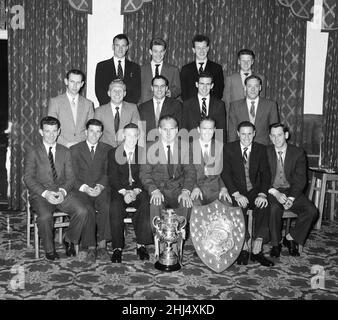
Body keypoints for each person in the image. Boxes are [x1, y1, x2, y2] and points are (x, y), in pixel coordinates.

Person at [24, 116, 89, 261]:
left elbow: (71, 178)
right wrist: (46, 194)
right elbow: (28, 178)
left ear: (59, 131)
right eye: (47, 131)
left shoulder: (65, 151)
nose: (51, 135)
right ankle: (49, 249)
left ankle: (69, 239)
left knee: (82, 211)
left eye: (54, 131)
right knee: (45, 216)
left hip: (61, 192)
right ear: (41, 131)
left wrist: (62, 191)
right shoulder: (33, 151)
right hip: (41, 194)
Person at [222, 121, 274, 267]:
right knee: (237, 209)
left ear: (254, 133)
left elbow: (266, 174)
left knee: (264, 206)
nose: (246, 137)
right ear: (238, 133)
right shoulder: (229, 148)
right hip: (238, 191)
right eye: (243, 134)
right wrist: (236, 194)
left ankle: (258, 248)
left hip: (255, 191)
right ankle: (243, 247)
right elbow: (225, 173)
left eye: (249, 133)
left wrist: (263, 194)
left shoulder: (261, 149)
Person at [267, 123, 318, 258]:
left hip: (291, 190)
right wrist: (275, 192)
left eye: (279, 135)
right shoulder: (265, 152)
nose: (276, 139)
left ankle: (291, 237)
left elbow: (300, 179)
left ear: (286, 135)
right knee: (274, 209)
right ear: (270, 137)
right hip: (273, 190)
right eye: (273, 136)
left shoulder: (298, 152)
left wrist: (291, 199)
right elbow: (261, 177)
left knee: (312, 211)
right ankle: (275, 243)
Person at [139, 115, 196, 228]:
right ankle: (157, 240)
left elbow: (190, 171)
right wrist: (154, 190)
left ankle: (179, 239)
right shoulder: (150, 147)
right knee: (155, 202)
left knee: (186, 202)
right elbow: (144, 173)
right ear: (160, 130)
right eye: (165, 129)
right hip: (158, 189)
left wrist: (186, 191)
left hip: (178, 189)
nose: (168, 133)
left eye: (172, 129)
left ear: (176, 130)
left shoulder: (184, 147)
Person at [107, 123, 153, 263]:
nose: (132, 138)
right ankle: (117, 248)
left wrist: (135, 190)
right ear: (123, 136)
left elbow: (146, 175)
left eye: (135, 135)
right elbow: (112, 176)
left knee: (146, 203)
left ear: (138, 136)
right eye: (128, 135)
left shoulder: (144, 152)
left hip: (139, 189)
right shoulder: (113, 153)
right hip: (120, 190)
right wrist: (124, 192)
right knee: (115, 206)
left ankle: (141, 245)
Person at [70, 119, 112, 263]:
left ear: (101, 134)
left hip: (101, 189)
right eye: (91, 131)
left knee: (106, 206)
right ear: (86, 131)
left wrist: (100, 186)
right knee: (87, 209)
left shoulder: (108, 149)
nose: (94, 134)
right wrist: (85, 188)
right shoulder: (75, 150)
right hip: (82, 190)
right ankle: (91, 247)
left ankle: (102, 245)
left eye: (98, 131)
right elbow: (72, 176)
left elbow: (108, 173)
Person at [48, 69, 94, 148]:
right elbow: (51, 128)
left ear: (82, 84)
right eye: (72, 82)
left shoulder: (88, 104)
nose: (75, 86)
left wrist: (81, 144)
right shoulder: (55, 102)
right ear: (66, 81)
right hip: (61, 147)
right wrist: (67, 144)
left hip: (82, 148)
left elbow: (91, 129)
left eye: (78, 82)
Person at [190, 117, 231, 205]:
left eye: (210, 129)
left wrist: (224, 188)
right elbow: (186, 173)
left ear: (214, 130)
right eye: (204, 129)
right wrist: (194, 187)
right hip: (197, 189)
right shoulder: (189, 147)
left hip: (216, 190)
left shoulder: (221, 147)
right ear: (198, 129)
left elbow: (225, 172)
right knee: (196, 210)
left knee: (228, 206)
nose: (207, 132)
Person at [228, 75, 279, 145]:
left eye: (256, 86)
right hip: (241, 148)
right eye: (249, 86)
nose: (253, 89)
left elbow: (275, 131)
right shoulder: (235, 106)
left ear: (260, 88)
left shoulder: (271, 105)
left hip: (264, 148)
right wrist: (232, 150)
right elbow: (232, 133)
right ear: (245, 88)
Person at [95, 33, 141, 105]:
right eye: (117, 45)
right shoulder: (102, 66)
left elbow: (137, 92)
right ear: (113, 47)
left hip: (128, 110)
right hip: (107, 109)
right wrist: (112, 107)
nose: (120, 49)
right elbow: (99, 91)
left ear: (127, 48)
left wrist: (124, 108)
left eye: (123, 46)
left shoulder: (135, 67)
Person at [94, 79, 141, 147]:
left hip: (126, 150)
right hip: (104, 151)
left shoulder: (133, 108)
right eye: (114, 90)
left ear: (124, 93)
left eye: (120, 91)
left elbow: (139, 131)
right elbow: (95, 135)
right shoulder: (99, 111)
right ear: (109, 93)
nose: (117, 93)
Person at [182, 72, 226, 143]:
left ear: (212, 86)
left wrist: (219, 149)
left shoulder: (219, 104)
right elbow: (184, 129)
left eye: (208, 84)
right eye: (202, 84)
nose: (205, 87)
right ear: (197, 84)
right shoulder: (187, 104)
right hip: (192, 145)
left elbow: (221, 130)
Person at [180, 34, 224, 101]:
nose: (201, 51)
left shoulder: (217, 68)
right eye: (198, 48)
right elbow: (183, 93)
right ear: (193, 50)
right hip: (191, 108)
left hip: (211, 108)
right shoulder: (185, 69)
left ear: (207, 49)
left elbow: (219, 92)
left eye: (204, 48)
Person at [138, 75, 182, 141]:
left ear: (166, 88)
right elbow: (141, 131)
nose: (159, 89)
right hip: (148, 145)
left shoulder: (176, 105)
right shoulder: (143, 107)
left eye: (162, 86)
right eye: (156, 86)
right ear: (152, 88)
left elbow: (179, 129)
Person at [224, 49, 265, 117]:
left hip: (254, 116)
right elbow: (227, 102)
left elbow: (262, 99)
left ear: (252, 61)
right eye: (243, 61)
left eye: (248, 60)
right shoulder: (230, 79)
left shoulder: (261, 78)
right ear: (239, 61)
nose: (246, 64)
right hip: (236, 116)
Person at [139, 38, 181, 104]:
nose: (158, 54)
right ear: (150, 51)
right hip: (145, 108)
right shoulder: (141, 69)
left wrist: (171, 93)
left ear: (164, 52)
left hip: (166, 108)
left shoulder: (173, 70)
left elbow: (178, 89)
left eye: (161, 51)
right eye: (155, 51)